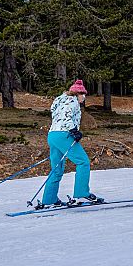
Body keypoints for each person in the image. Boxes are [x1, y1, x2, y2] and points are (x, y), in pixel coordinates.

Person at [39, 79, 99, 209]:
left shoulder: (59, 99)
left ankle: (49, 199)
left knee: (56, 169)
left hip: (53, 135)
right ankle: (82, 193)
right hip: (64, 135)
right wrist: (74, 131)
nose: (84, 97)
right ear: (78, 94)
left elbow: (54, 112)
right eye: (83, 94)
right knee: (83, 162)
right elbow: (67, 116)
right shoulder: (72, 101)